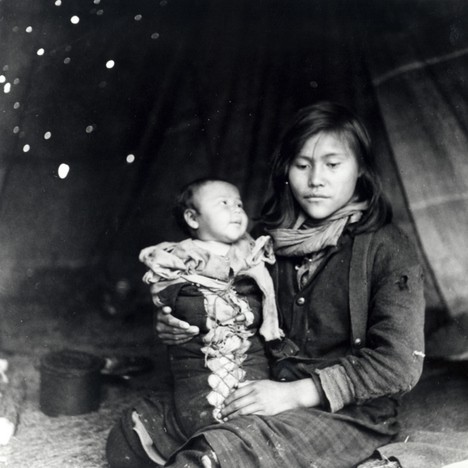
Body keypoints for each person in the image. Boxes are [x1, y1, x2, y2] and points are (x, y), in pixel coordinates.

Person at [107, 101, 425, 468]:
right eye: (302, 165)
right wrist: (174, 321)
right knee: (133, 433)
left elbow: (399, 364)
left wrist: (295, 394)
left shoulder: (388, 248)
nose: (316, 179)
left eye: (333, 165)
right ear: (286, 171)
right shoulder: (258, 246)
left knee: (214, 456)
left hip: (344, 411)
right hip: (259, 388)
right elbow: (214, 297)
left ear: (361, 171)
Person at [107, 178, 283, 467]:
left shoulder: (253, 254)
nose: (236, 210)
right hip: (200, 371)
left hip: (248, 363)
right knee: (193, 417)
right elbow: (165, 300)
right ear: (192, 218)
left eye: (239, 204)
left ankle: (224, 448)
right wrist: (168, 315)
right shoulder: (178, 258)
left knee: (257, 418)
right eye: (223, 204)